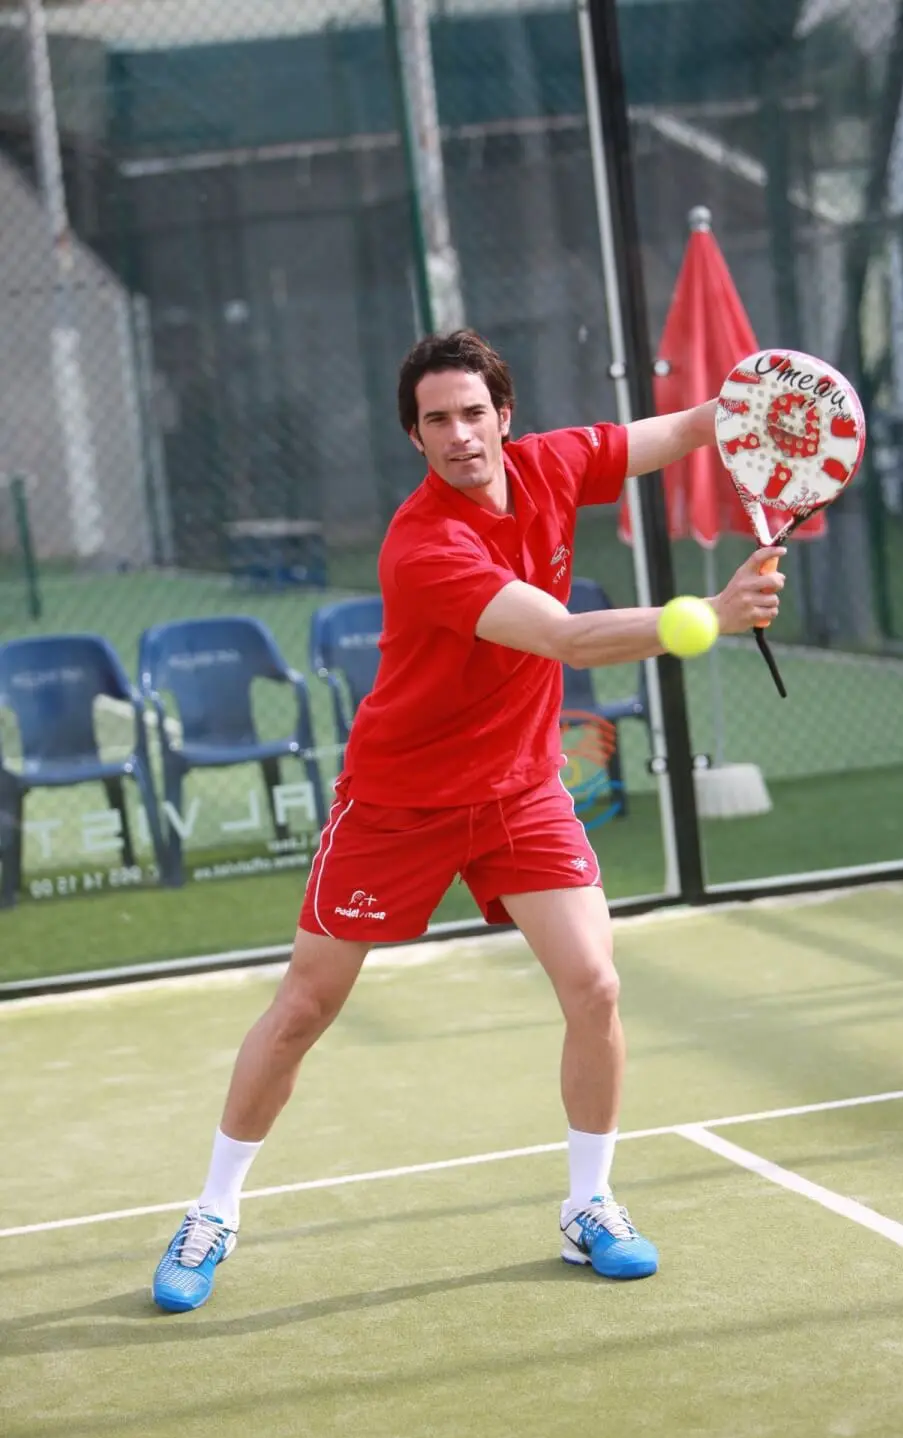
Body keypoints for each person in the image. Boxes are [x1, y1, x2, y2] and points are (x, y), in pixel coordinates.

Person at [152, 328, 784, 1312]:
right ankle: (213, 1212)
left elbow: (667, 434)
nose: (459, 435)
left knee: (596, 986)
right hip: (398, 803)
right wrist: (705, 613)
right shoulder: (423, 545)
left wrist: (750, 410)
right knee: (304, 1010)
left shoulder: (551, 464)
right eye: (436, 420)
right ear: (415, 436)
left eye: (473, 413)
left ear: (504, 418)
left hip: (520, 792)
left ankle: (588, 1205)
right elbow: (566, 640)